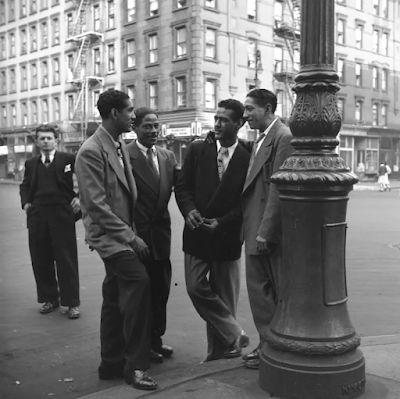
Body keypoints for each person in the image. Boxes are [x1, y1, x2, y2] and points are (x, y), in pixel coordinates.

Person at [75, 89, 157, 391]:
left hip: (121, 231)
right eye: (129, 111)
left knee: (113, 295)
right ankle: (135, 366)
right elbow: (95, 206)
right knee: (138, 283)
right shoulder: (90, 150)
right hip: (110, 236)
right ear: (114, 114)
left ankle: (110, 362)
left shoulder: (118, 143)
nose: (132, 116)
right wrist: (131, 238)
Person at [175, 99, 251, 362]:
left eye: (224, 120)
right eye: (216, 118)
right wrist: (189, 211)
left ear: (239, 124)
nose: (217, 123)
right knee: (196, 287)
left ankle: (218, 356)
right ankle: (234, 332)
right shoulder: (197, 150)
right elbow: (182, 187)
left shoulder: (247, 156)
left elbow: (248, 202)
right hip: (197, 232)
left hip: (227, 236)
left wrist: (225, 221)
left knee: (225, 298)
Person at [241, 89, 293, 370]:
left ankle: (272, 347)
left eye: (250, 109)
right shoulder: (260, 138)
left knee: (265, 291)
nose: (245, 114)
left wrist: (265, 231)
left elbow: (278, 186)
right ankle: (268, 344)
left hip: (264, 230)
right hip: (253, 225)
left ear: (268, 108)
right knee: (259, 292)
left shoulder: (282, 136)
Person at [127, 107, 179, 363]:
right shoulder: (125, 156)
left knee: (161, 291)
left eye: (156, 125)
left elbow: (182, 188)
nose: (153, 131)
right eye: (147, 126)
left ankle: (156, 339)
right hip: (138, 236)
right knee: (141, 295)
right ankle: (142, 345)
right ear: (135, 127)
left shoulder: (168, 157)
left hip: (161, 235)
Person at [19, 124, 81, 319]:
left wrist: (80, 198)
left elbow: (89, 177)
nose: (45, 141)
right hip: (38, 216)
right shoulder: (31, 163)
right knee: (41, 259)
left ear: (56, 140)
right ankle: (49, 299)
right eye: (42, 138)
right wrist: (26, 203)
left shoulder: (69, 159)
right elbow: (26, 185)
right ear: (36, 142)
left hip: (62, 214)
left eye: (49, 138)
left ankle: (72, 303)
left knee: (66, 260)